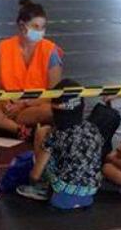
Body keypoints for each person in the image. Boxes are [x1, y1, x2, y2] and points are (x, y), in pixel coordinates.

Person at [17, 79, 104, 210]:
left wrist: (31, 177)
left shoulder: (55, 135)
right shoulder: (94, 129)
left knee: (41, 134)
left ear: (54, 112)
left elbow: (35, 174)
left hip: (61, 194)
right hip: (90, 192)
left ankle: (42, 187)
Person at [0, 0, 64, 139]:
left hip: (33, 107)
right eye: (36, 27)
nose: (40, 31)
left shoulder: (50, 51)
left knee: (52, 111)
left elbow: (53, 94)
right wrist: (7, 104)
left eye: (43, 27)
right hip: (7, 105)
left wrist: (23, 104)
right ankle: (20, 130)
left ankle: (8, 126)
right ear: (22, 26)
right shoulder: (3, 48)